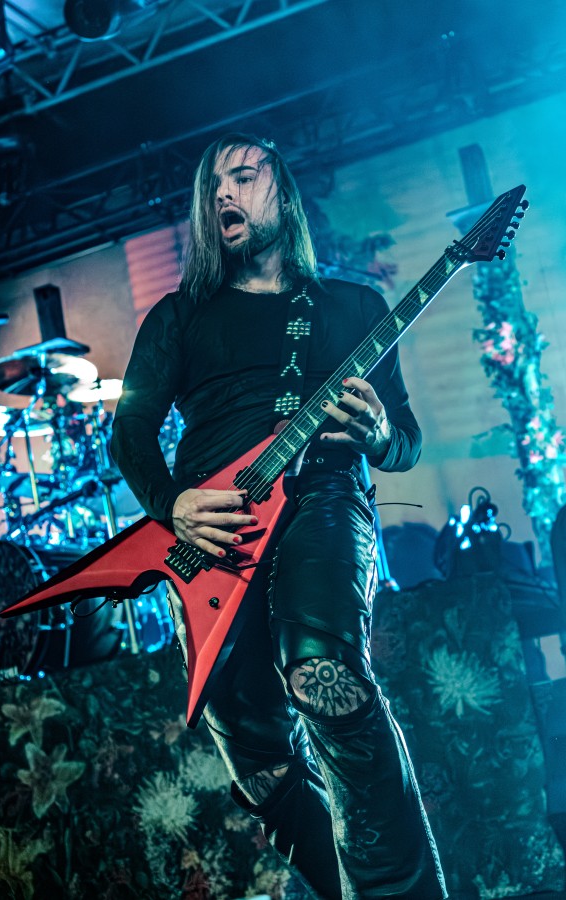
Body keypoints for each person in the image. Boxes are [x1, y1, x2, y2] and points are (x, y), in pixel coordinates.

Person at [111, 133, 447, 899]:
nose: (223, 195)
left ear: (284, 193)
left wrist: (380, 434)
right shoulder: (179, 317)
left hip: (323, 497)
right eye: (212, 188)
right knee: (257, 762)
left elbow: (406, 441)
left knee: (324, 670)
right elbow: (129, 435)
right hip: (213, 533)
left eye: (241, 176)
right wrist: (173, 504)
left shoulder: (353, 308)